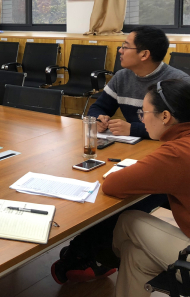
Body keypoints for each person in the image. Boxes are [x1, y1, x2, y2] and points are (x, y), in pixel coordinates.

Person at [52, 79, 190, 294]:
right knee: (137, 256)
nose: (141, 119)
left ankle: (99, 255)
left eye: (143, 113)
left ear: (165, 116)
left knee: (128, 220)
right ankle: (98, 256)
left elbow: (113, 185)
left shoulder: (177, 153)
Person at [88, 27, 189, 138]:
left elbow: (184, 128)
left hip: (169, 144)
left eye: (125, 47)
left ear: (144, 55)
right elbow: (98, 107)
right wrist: (98, 119)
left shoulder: (179, 82)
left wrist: (133, 129)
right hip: (132, 143)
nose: (120, 50)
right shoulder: (121, 77)